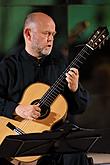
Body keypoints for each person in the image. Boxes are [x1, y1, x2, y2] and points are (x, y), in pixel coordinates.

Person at [0, 12, 90, 165]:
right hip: (16, 137)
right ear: (28, 34)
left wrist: (75, 90)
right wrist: (17, 109)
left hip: (53, 140)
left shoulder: (60, 64)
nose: (51, 39)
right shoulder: (8, 66)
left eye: (53, 34)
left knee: (75, 153)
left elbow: (79, 108)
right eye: (46, 33)